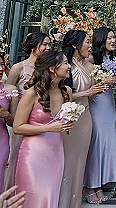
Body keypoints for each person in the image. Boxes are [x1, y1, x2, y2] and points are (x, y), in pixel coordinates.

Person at [13, 51, 74, 208]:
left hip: (56, 153)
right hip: (33, 154)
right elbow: (17, 127)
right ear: (53, 68)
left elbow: (63, 121)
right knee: (33, 198)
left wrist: (68, 123)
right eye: (66, 63)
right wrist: (48, 127)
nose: (69, 66)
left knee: (50, 196)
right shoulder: (32, 93)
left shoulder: (67, 91)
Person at [59, 30, 106, 207]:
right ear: (74, 45)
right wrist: (87, 92)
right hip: (68, 118)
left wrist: (97, 88)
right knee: (67, 160)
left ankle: (75, 201)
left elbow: (91, 96)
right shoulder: (63, 64)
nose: (90, 45)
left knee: (81, 160)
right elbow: (60, 95)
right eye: (87, 42)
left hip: (85, 117)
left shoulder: (88, 65)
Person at [4, 32, 51, 190]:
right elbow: (8, 92)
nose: (48, 47)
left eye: (49, 44)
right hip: (22, 119)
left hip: (41, 119)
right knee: (17, 157)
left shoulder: (48, 68)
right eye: (44, 44)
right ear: (34, 46)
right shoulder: (19, 67)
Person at [83, 27, 116, 203]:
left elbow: (112, 83)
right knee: (96, 142)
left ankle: (98, 184)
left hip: (108, 103)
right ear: (101, 40)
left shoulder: (110, 58)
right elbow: (86, 80)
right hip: (97, 103)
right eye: (110, 38)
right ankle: (88, 186)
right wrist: (105, 79)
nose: (113, 41)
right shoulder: (91, 59)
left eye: (114, 38)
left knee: (106, 142)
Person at [0, 52, 19, 195]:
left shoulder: (10, 90)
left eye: (2, 65)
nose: (0, 69)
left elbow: (15, 123)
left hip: (0, 142)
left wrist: (5, 115)